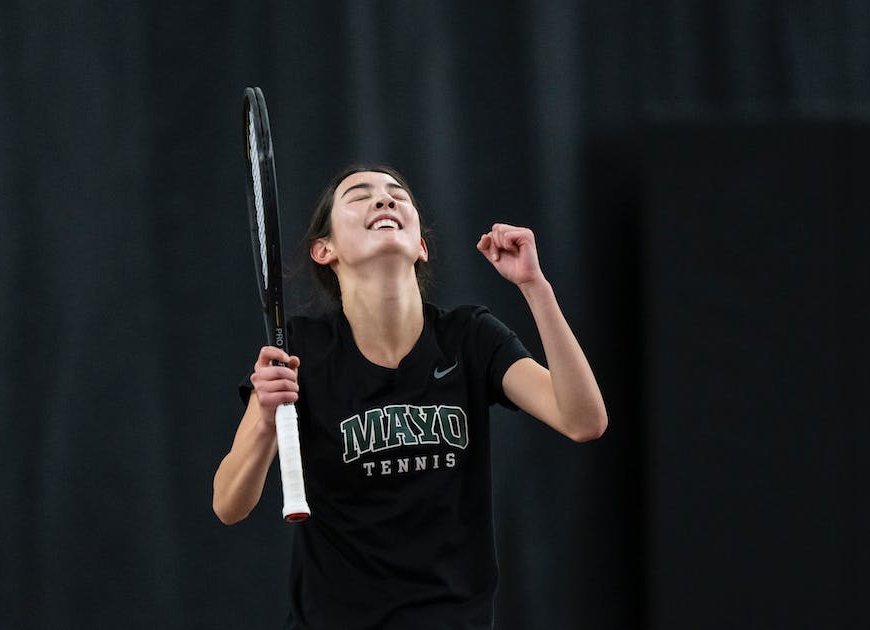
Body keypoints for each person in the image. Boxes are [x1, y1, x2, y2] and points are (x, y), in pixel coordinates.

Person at [212, 164, 607, 629]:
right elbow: (228, 505)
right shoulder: (301, 351)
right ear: (325, 250)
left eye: (397, 195)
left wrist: (535, 288)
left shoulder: (470, 337)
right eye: (359, 196)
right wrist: (264, 418)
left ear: (420, 246)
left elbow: (583, 421)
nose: (384, 200)